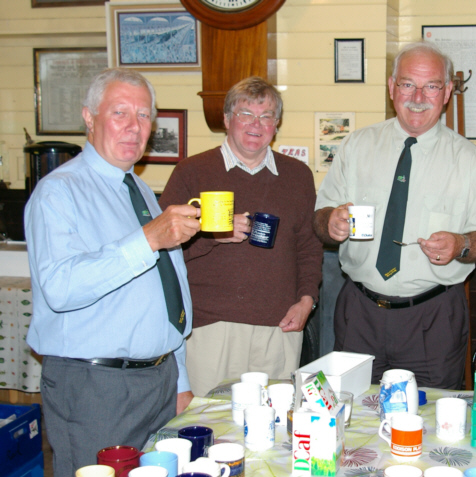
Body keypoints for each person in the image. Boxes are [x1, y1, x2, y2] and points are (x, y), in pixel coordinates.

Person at [24, 68, 201, 476]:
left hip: (157, 380)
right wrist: (148, 240)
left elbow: (166, 290)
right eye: (120, 112)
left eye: (143, 116)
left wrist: (178, 378)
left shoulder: (136, 188)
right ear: (89, 117)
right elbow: (61, 288)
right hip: (95, 389)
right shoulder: (58, 192)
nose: (134, 127)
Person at [313, 42, 476, 389]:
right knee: (352, 416)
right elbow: (321, 216)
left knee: (428, 423)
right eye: (407, 84)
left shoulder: (468, 158)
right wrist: (330, 222)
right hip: (359, 313)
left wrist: (461, 244)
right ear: (391, 88)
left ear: (446, 92)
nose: (418, 96)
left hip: (432, 320)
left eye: (430, 86)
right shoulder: (356, 146)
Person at [159, 77, 322, 397]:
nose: (256, 124)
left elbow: (309, 247)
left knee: (273, 427)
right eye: (246, 113)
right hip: (210, 330)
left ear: (276, 124)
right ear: (226, 119)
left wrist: (307, 300)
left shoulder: (298, 175)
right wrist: (211, 235)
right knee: (210, 425)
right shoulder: (191, 172)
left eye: (266, 116)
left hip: (280, 328)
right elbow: (162, 248)